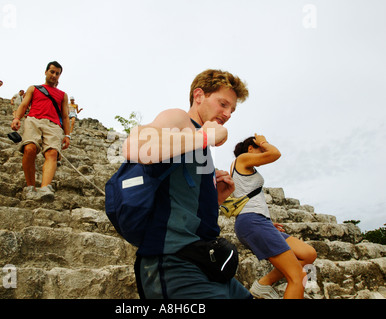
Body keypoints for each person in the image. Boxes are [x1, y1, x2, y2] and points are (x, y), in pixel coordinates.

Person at [122, 69, 251, 299]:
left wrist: (216, 198)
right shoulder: (180, 119)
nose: (228, 113)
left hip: (206, 260)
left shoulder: (198, 142)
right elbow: (134, 147)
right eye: (223, 104)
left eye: (232, 109)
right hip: (173, 261)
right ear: (198, 95)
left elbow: (183, 202)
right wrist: (205, 136)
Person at [231, 134, 317, 299]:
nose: (263, 150)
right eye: (260, 149)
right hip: (252, 221)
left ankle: (263, 284)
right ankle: (264, 285)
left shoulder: (246, 168)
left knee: (308, 254)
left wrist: (267, 222)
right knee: (297, 277)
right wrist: (263, 142)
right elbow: (275, 154)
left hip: (259, 221)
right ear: (251, 148)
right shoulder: (242, 159)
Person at [10, 61, 70, 201]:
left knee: (52, 152)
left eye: (57, 73)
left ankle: (45, 188)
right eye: (52, 72)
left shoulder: (63, 95)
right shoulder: (34, 88)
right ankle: (30, 187)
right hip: (34, 120)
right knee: (29, 148)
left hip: (54, 125)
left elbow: (65, 116)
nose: (54, 75)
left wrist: (67, 135)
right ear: (46, 72)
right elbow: (24, 104)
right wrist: (17, 118)